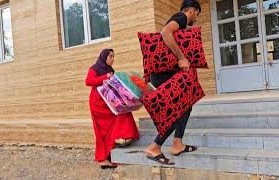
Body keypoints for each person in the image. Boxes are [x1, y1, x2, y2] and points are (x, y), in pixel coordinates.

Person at [144, 0, 201, 165]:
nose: (196, 18)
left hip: (162, 73)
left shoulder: (179, 22)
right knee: (178, 108)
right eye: (196, 14)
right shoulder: (182, 18)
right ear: (191, 10)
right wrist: (182, 57)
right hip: (163, 74)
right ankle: (154, 147)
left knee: (186, 104)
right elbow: (165, 32)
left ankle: (177, 144)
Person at [85, 49, 140, 169]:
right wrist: (105, 76)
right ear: (104, 57)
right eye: (110, 56)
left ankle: (110, 154)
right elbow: (88, 81)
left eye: (113, 56)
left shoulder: (110, 69)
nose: (112, 59)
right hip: (98, 103)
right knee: (102, 131)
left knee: (122, 115)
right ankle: (102, 159)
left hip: (109, 100)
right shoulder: (95, 68)